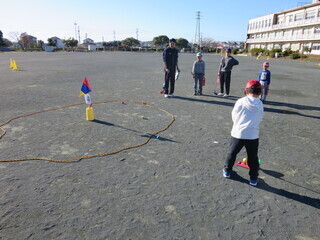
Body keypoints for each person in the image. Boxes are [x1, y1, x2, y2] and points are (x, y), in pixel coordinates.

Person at [222, 80, 264, 186]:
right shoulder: (260, 104)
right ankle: (253, 179)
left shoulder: (240, 101)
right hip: (253, 135)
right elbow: (259, 119)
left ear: (246, 90)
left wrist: (239, 125)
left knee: (232, 153)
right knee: (253, 157)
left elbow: (234, 116)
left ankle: (227, 171)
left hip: (238, 133)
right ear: (259, 92)